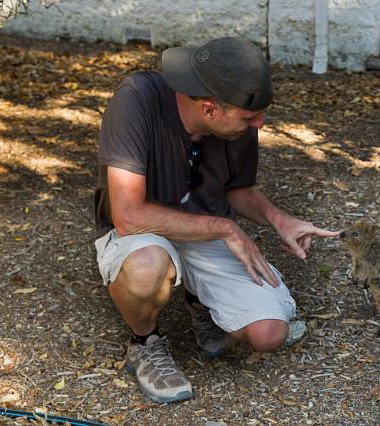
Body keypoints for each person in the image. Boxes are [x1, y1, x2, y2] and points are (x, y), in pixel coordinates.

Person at [93, 37, 339, 404]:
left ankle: (199, 300)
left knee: (269, 333)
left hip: (203, 229)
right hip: (143, 233)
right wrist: (225, 228)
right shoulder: (136, 100)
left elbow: (237, 190)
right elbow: (128, 215)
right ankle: (145, 342)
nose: (260, 123)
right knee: (148, 268)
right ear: (209, 109)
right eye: (249, 117)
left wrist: (277, 218)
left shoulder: (237, 124)